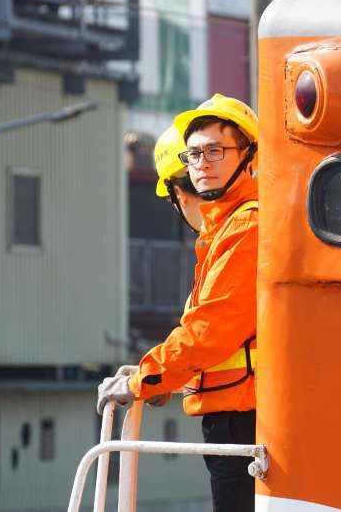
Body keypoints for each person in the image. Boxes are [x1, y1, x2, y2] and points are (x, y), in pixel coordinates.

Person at [97, 94, 259, 512]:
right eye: (196, 154)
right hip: (237, 413)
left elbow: (211, 331)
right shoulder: (228, 231)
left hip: (243, 417)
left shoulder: (247, 226)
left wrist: (142, 381)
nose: (203, 163)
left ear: (249, 156)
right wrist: (161, 376)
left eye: (216, 151)